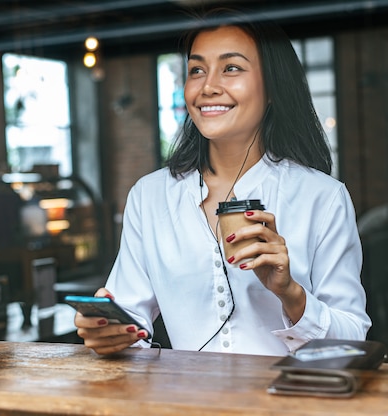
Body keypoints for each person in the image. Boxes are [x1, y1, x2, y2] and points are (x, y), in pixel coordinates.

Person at [75, 8, 371, 356]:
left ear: (273, 87)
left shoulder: (323, 197)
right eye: (196, 70)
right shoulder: (150, 196)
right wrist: (107, 332)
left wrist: (290, 292)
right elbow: (129, 321)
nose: (208, 87)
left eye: (231, 68)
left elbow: (352, 342)